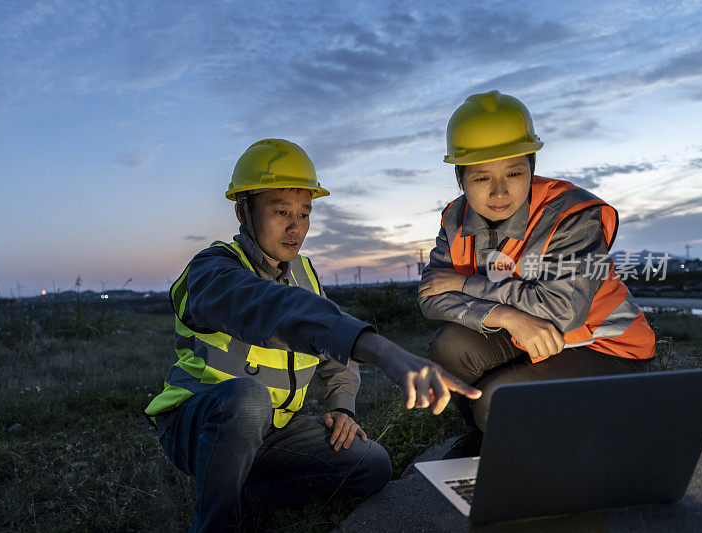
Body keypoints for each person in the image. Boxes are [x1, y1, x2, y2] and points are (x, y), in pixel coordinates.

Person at [145, 138, 481, 531]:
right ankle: (216, 523)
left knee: (371, 463)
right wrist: (383, 351)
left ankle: (246, 496)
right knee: (248, 398)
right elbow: (270, 308)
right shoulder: (213, 273)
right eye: (280, 211)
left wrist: (342, 406)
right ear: (243, 211)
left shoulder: (304, 273)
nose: (295, 226)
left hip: (273, 430)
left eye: (304, 213)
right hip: (197, 425)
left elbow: (333, 354)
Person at [418, 91, 655, 459]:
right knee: (448, 344)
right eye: (482, 178)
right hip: (526, 337)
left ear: (532, 166)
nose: (500, 191)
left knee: (499, 402)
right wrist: (507, 317)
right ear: (461, 178)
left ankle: (552, 462)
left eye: (514, 173)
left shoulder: (571, 214)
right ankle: (487, 440)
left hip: (607, 349)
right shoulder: (454, 217)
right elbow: (431, 295)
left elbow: (562, 312)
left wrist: (467, 284)